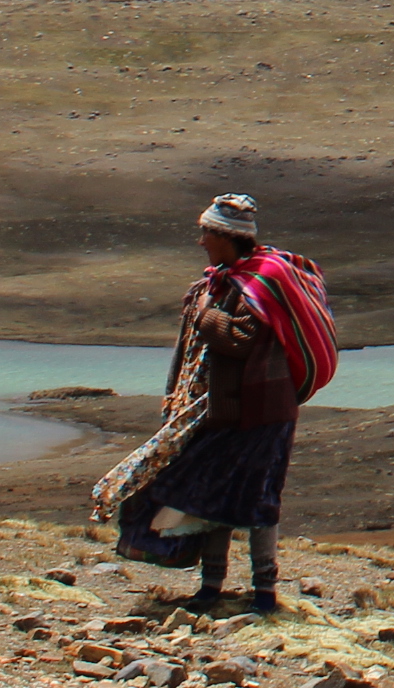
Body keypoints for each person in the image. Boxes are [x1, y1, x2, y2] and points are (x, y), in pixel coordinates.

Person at [91, 193, 335, 612]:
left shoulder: (261, 282)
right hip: (221, 411)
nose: (200, 241)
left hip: (261, 412)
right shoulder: (222, 281)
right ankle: (212, 587)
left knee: (258, 501)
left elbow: (241, 339)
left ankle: (264, 593)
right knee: (213, 499)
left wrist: (204, 312)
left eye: (206, 233)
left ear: (226, 236)